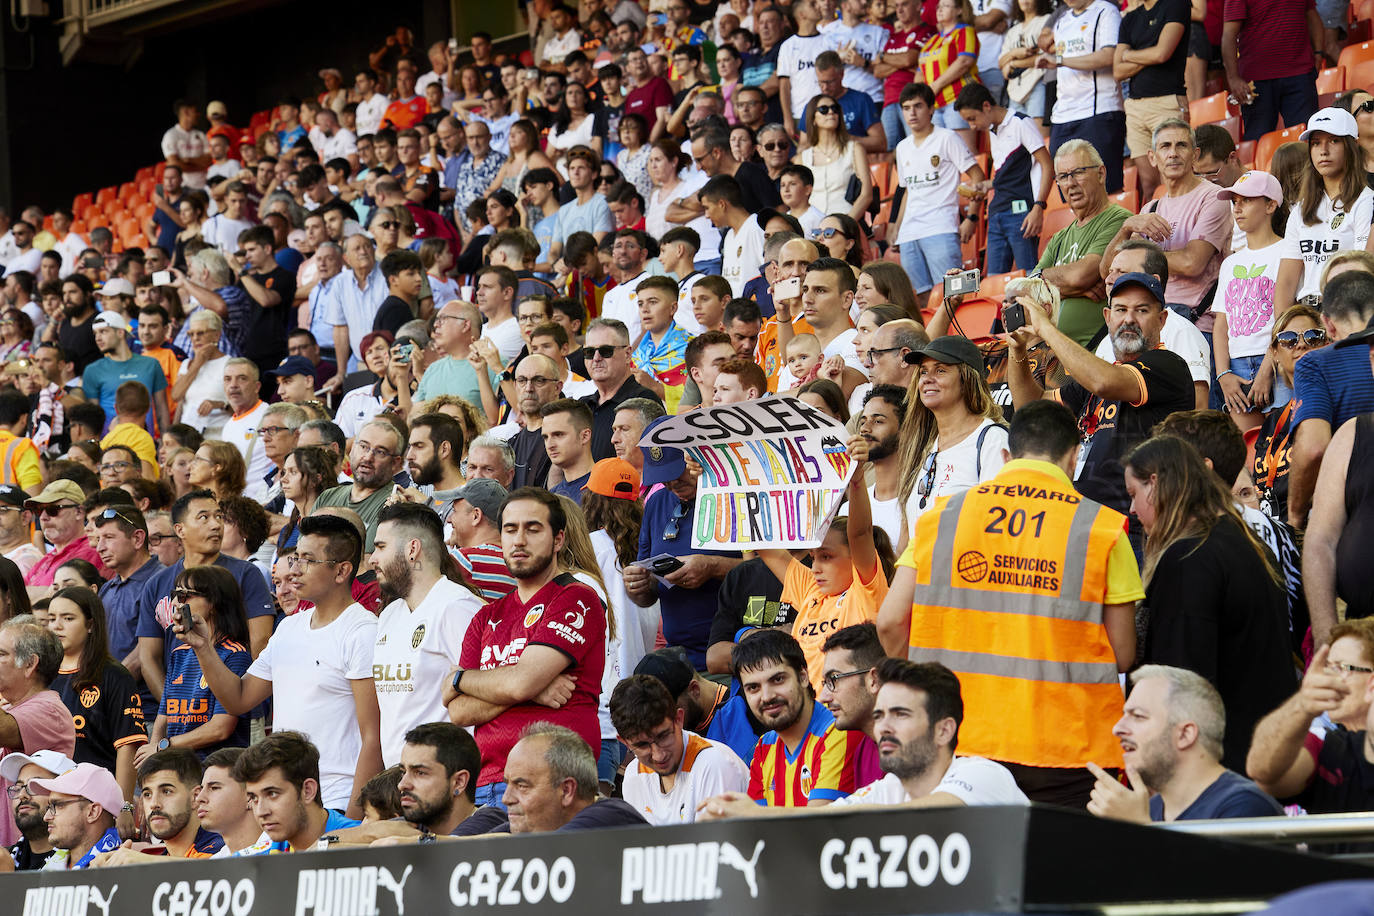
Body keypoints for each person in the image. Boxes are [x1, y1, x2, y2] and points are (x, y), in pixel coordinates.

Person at [879, 400, 1141, 806]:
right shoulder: (1102, 528)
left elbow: (891, 623)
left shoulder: (939, 519)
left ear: (1005, 455)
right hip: (1069, 751)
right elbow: (1122, 654)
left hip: (959, 742)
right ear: (1074, 458)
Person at [177, 514, 381, 816]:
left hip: (337, 801)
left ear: (341, 571)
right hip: (287, 802)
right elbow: (239, 698)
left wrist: (351, 818)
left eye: (308, 561)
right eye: (295, 558)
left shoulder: (363, 631)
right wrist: (204, 648)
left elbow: (373, 736)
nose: (295, 570)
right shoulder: (288, 627)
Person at [1123, 435, 1294, 771]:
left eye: (1133, 494)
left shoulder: (1188, 558)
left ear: (1155, 484)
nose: (1131, 509)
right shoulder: (1240, 539)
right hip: (1262, 744)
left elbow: (1181, 680)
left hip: (1218, 762)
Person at [701, 658, 1031, 818]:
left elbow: (934, 815)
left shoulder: (982, 774)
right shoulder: (889, 789)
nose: (884, 726)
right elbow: (821, 820)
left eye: (900, 714)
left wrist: (757, 814)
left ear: (944, 730)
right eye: (880, 714)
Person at [446, 488, 606, 809]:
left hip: (552, 780)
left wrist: (460, 679)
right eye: (510, 529)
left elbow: (519, 682)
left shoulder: (576, 597)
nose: (519, 540)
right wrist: (531, 690)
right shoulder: (486, 615)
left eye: (532, 529)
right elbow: (458, 711)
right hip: (488, 782)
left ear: (558, 540)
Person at [1009, 272, 1194, 538]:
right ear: (1107, 317)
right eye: (1120, 309)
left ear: (1162, 320)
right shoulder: (1100, 373)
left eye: (1141, 310)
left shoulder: (1169, 365)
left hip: (1138, 531)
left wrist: (1046, 329)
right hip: (1085, 526)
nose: (1129, 319)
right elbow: (1032, 406)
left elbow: (1104, 383)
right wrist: (1017, 351)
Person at [755, 434, 890, 691]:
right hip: (805, 715)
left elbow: (859, 533)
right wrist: (710, 481)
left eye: (826, 557)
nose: (815, 567)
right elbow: (760, 538)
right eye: (814, 557)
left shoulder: (866, 592)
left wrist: (858, 479)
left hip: (846, 715)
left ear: (855, 558)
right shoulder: (811, 589)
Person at [1088, 665, 1283, 822]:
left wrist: (1139, 829)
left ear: (1185, 734)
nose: (1117, 729)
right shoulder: (1153, 809)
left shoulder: (1246, 808)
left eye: (1138, 716)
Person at [369, 502, 482, 768]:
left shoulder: (457, 607)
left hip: (447, 778)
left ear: (412, 549)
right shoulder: (388, 615)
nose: (372, 558)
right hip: (398, 780)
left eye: (381, 547)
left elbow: (487, 692)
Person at [625, 420, 742, 669]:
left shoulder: (736, 497)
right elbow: (649, 594)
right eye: (663, 478)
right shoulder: (656, 503)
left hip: (734, 654)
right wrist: (639, 586)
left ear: (699, 456)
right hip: (680, 659)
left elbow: (771, 573)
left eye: (677, 473)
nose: (672, 484)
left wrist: (713, 566)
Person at [1100, 120, 1233, 334]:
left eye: (1181, 145)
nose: (1173, 153)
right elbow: (1108, 270)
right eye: (1165, 146)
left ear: (1195, 155)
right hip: (1152, 321)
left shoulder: (1212, 197)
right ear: (1152, 158)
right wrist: (1125, 229)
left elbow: (1192, 262)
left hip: (1196, 323)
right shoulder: (1150, 208)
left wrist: (1139, 259)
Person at [1246, 625, 1374, 813]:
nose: (1327, 678)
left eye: (1341, 668)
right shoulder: (1327, 747)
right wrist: (1302, 704)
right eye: (1327, 668)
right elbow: (1262, 772)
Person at [895, 335, 1008, 543]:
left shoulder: (992, 439)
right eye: (923, 372)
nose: (927, 379)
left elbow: (997, 529)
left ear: (966, 380)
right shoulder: (923, 446)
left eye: (940, 370)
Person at [731, 629, 862, 807]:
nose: (767, 696)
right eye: (753, 688)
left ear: (803, 677)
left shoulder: (838, 729)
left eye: (777, 680)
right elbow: (757, 828)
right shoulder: (764, 747)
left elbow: (816, 825)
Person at [1288, 270, 1374, 532]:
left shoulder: (1315, 363)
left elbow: (1314, 448)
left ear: (1328, 324)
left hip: (1354, 517)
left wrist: (1295, 515)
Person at [46, 587, 146, 807]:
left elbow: (127, 746)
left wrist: (123, 805)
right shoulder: (40, 674)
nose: (57, 626)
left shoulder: (114, 676)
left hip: (96, 799)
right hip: (46, 795)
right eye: (51, 618)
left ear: (91, 624)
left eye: (68, 618)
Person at [610, 674, 749, 825]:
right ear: (625, 743)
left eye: (663, 736)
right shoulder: (633, 775)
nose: (658, 755)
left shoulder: (715, 764)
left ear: (679, 719)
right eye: (642, 745)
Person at [1210, 170, 1290, 429]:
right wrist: (1223, 375)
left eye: (1247, 200)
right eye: (1235, 202)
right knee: (1249, 452)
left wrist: (1268, 368)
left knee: (1284, 448)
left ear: (1270, 205)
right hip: (1237, 367)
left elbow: (1286, 319)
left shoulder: (1287, 251)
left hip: (1277, 362)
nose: (1238, 208)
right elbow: (1221, 325)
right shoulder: (1230, 263)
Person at [1275, 109, 1374, 313]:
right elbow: (1286, 282)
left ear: (1352, 146)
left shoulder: (1367, 200)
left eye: (1334, 141)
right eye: (1316, 143)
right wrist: (1281, 333)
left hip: (1347, 309)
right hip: (1307, 314)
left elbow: (1363, 269)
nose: (1323, 150)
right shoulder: (1300, 210)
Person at [892, 83, 982, 300]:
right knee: (921, 299)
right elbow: (907, 191)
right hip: (909, 233)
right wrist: (897, 227)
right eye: (906, 108)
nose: (911, 113)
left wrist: (971, 216)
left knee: (954, 295)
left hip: (940, 227)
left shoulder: (947, 137)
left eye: (918, 106)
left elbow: (978, 177)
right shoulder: (902, 147)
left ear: (931, 109)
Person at [1253, 305, 1327, 523]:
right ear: (1274, 353)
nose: (1301, 344)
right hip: (1277, 535)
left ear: (1327, 344)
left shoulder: (1337, 406)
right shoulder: (1273, 421)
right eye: (1288, 339)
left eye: (1314, 337)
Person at [499, 723, 646, 832]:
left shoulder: (609, 818)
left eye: (522, 786)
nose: (506, 798)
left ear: (567, 790)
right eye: (507, 784)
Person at [1047, 0, 1127, 194]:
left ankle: (1115, 226)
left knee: (1106, 188)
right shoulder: (1062, 20)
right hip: (1063, 116)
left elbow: (1109, 56)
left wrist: (1060, 60)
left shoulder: (1106, 11)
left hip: (1099, 110)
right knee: (1070, 192)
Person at [233, 731, 359, 853]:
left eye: (272, 794)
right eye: (254, 798)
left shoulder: (365, 844)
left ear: (308, 791)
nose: (261, 812)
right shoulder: (254, 859)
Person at [1114, 0, 1189, 201]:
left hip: (1167, 101)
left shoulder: (1175, 5)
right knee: (1148, 184)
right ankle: (1153, 231)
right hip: (1135, 107)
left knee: (1173, 179)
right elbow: (1117, 70)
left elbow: (1162, 53)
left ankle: (1180, 229)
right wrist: (1151, 54)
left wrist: (1130, 55)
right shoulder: (1130, 18)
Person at [1221, 0, 1320, 142]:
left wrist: (1319, 53)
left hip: (1300, 73)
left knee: (1307, 139)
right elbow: (1229, 33)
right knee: (1258, 141)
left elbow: (1312, 16)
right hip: (1257, 80)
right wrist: (1233, 78)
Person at [578, 318, 662, 461]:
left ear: (628, 354)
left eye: (606, 351)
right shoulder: (582, 406)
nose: (596, 358)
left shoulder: (644, 400)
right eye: (589, 352)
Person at [314, 420, 404, 553]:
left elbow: (368, 563)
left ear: (395, 463)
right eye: (363, 446)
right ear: (351, 450)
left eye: (380, 452)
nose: (368, 457)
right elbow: (303, 551)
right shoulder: (327, 497)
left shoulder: (393, 504)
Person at [30, 762, 123, 870]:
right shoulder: (50, 868)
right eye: (49, 807)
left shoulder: (122, 870)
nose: (46, 817)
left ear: (93, 812)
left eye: (58, 805)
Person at [23, 480, 105, 594]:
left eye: (53, 510)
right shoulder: (46, 559)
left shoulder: (91, 550)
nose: (43, 517)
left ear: (79, 512)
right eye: (39, 510)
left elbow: (59, 598)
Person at [0, 749, 76, 870]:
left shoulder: (90, 861)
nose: (22, 795)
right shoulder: (4, 860)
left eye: (34, 786)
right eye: (18, 787)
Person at [448, 477, 517, 601]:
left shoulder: (464, 561)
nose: (449, 519)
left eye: (454, 511)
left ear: (476, 516)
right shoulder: (517, 563)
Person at [540, 399, 597, 506]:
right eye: (545, 437)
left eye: (558, 435)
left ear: (584, 436)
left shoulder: (605, 489)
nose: (550, 445)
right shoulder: (552, 496)